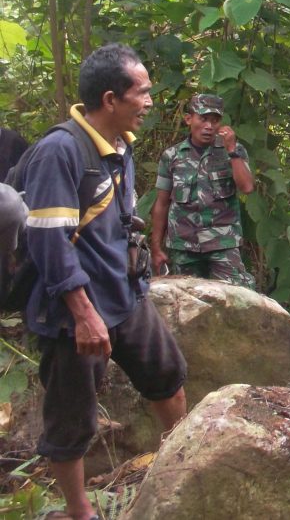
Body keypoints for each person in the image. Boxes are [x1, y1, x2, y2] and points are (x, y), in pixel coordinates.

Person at [23, 44, 187, 520]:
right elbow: (49, 240)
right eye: (143, 92)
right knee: (72, 418)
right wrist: (82, 314)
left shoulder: (120, 145)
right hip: (74, 311)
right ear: (111, 99)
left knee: (168, 377)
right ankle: (80, 513)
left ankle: (180, 476)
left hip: (124, 295)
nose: (150, 101)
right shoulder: (60, 151)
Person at [150, 93, 256, 289]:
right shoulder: (172, 156)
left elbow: (247, 187)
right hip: (184, 245)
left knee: (238, 296)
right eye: (203, 119)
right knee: (185, 300)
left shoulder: (233, 151)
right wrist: (156, 248)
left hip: (222, 243)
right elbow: (162, 203)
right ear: (189, 119)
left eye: (215, 121)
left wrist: (232, 150)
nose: (209, 126)